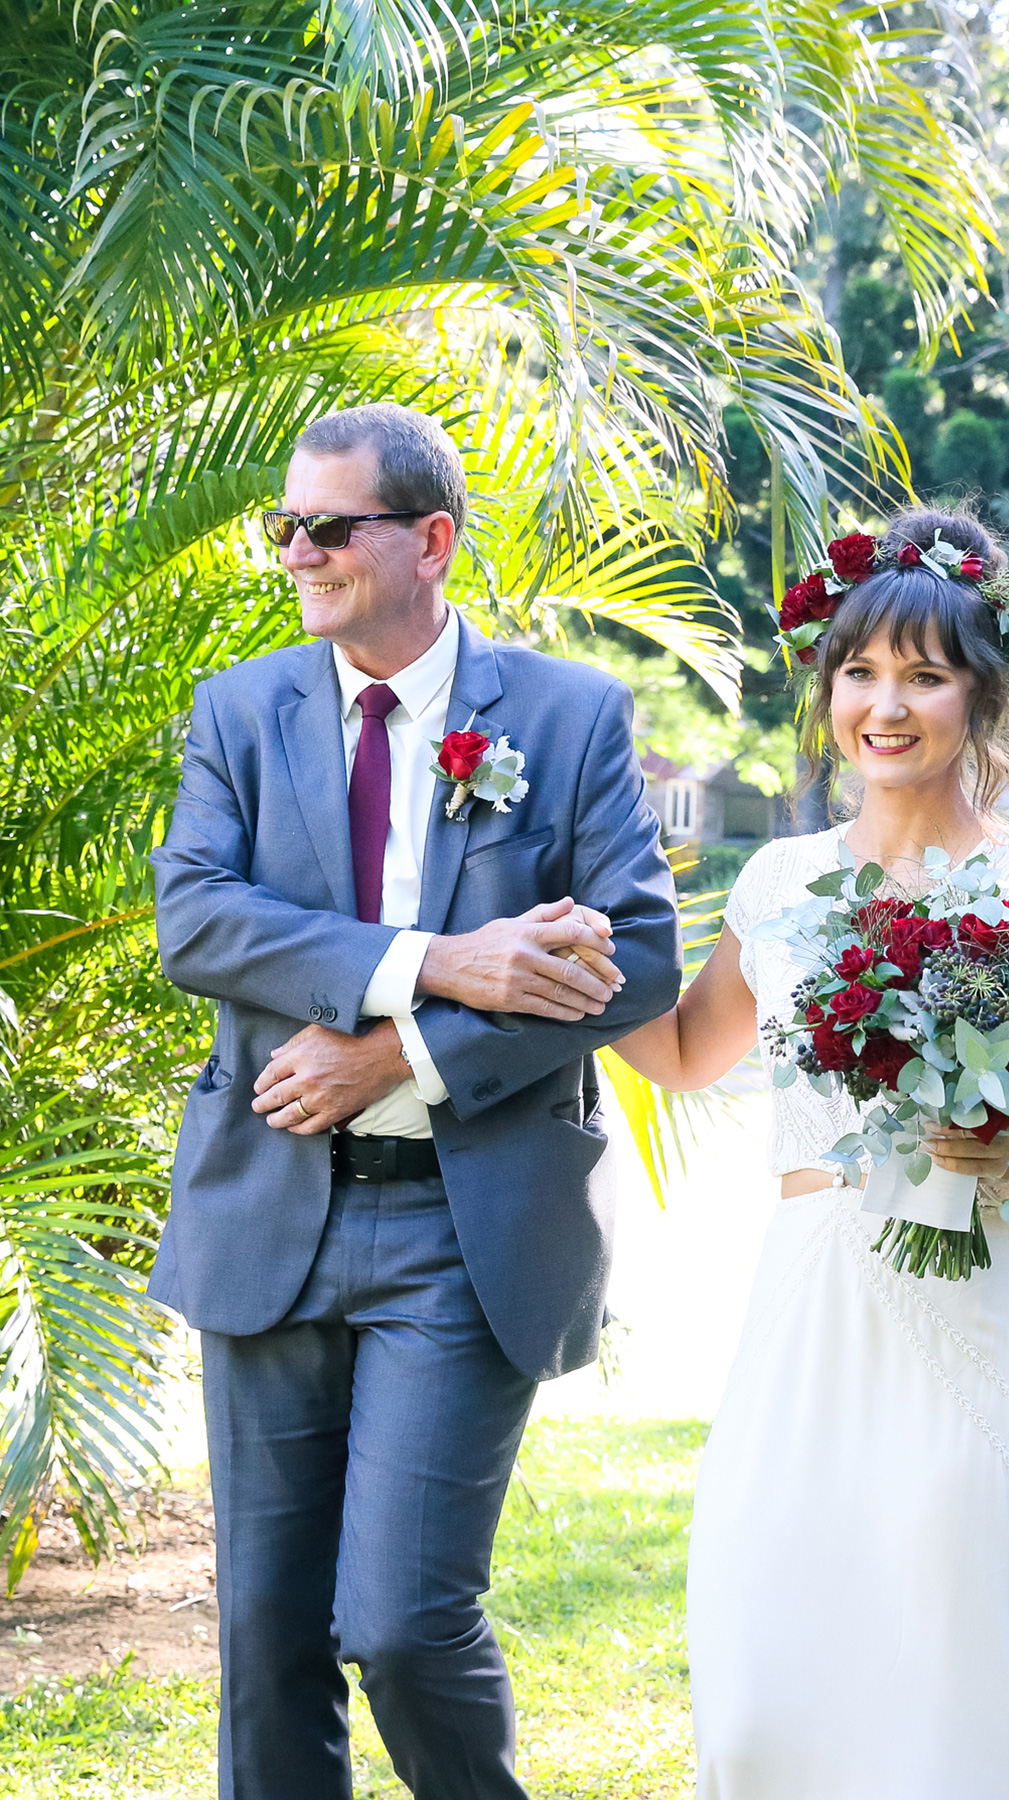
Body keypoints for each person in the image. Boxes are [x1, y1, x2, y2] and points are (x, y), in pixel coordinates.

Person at [149, 400, 681, 1800]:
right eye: (288, 528)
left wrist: (402, 1053)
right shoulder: (239, 711)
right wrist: (434, 965)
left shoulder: (567, 719)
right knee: (264, 1640)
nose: (300, 553)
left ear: (431, 539)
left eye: (332, 526)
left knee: (396, 1622)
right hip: (269, 1208)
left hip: (468, 1225)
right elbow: (197, 920)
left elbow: (637, 965)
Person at [612, 506, 1009, 1799]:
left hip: (964, 1312)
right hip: (804, 1311)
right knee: (769, 1667)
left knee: (953, 1653)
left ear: (980, 693)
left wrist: (1004, 1155)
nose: (885, 704)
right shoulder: (777, 881)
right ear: (827, 691)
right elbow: (686, 1051)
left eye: (924, 675)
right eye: (860, 673)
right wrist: (571, 943)